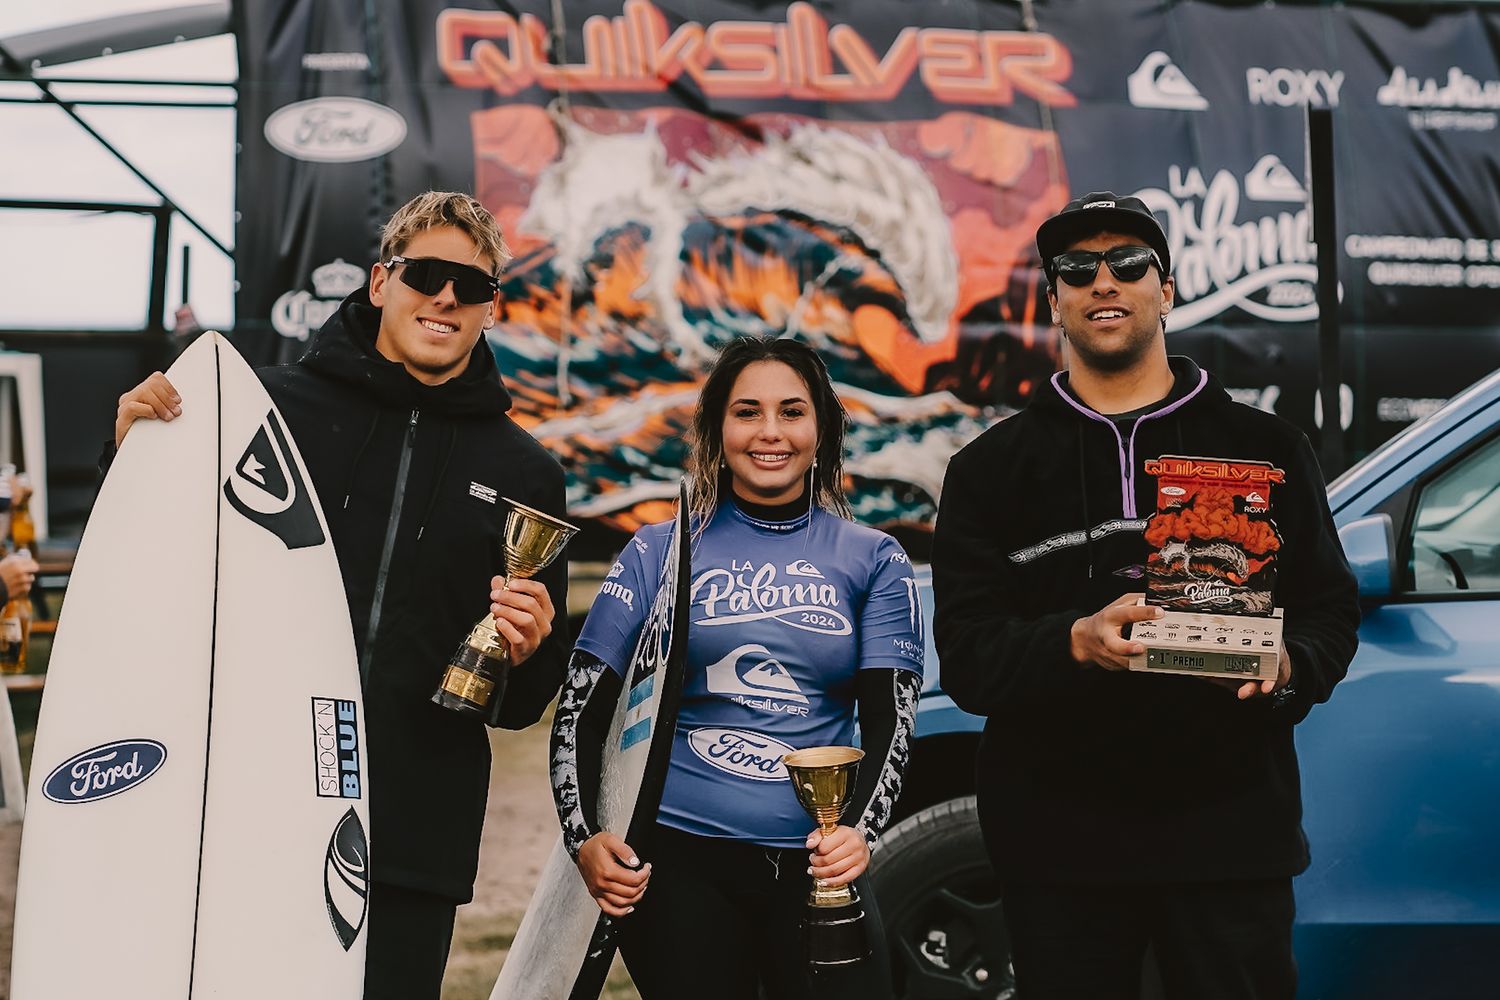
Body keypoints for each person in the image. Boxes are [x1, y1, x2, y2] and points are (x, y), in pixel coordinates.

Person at [112, 191, 569, 1000]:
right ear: (380, 280)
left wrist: (531, 649)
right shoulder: (262, 411)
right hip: (247, 808)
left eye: (474, 287)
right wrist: (137, 464)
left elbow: (520, 704)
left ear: (491, 309)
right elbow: (160, 587)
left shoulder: (526, 473)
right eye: (426, 273)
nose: (447, 298)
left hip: (412, 837)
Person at [931, 191, 1360, 1000]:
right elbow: (968, 655)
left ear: (1166, 289)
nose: (1105, 282)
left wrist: (1290, 667)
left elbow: (1330, 612)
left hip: (1231, 842)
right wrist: (1074, 641)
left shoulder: (1266, 449)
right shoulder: (987, 471)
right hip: (1059, 851)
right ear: (1052, 298)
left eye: (1129, 263)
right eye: (1077, 268)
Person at [549, 337, 924, 999]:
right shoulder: (657, 551)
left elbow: (891, 720)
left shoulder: (875, 559)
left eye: (792, 411)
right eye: (747, 412)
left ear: (822, 428)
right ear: (718, 429)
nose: (771, 432)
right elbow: (582, 703)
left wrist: (860, 833)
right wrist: (586, 837)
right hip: (681, 866)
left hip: (820, 865)